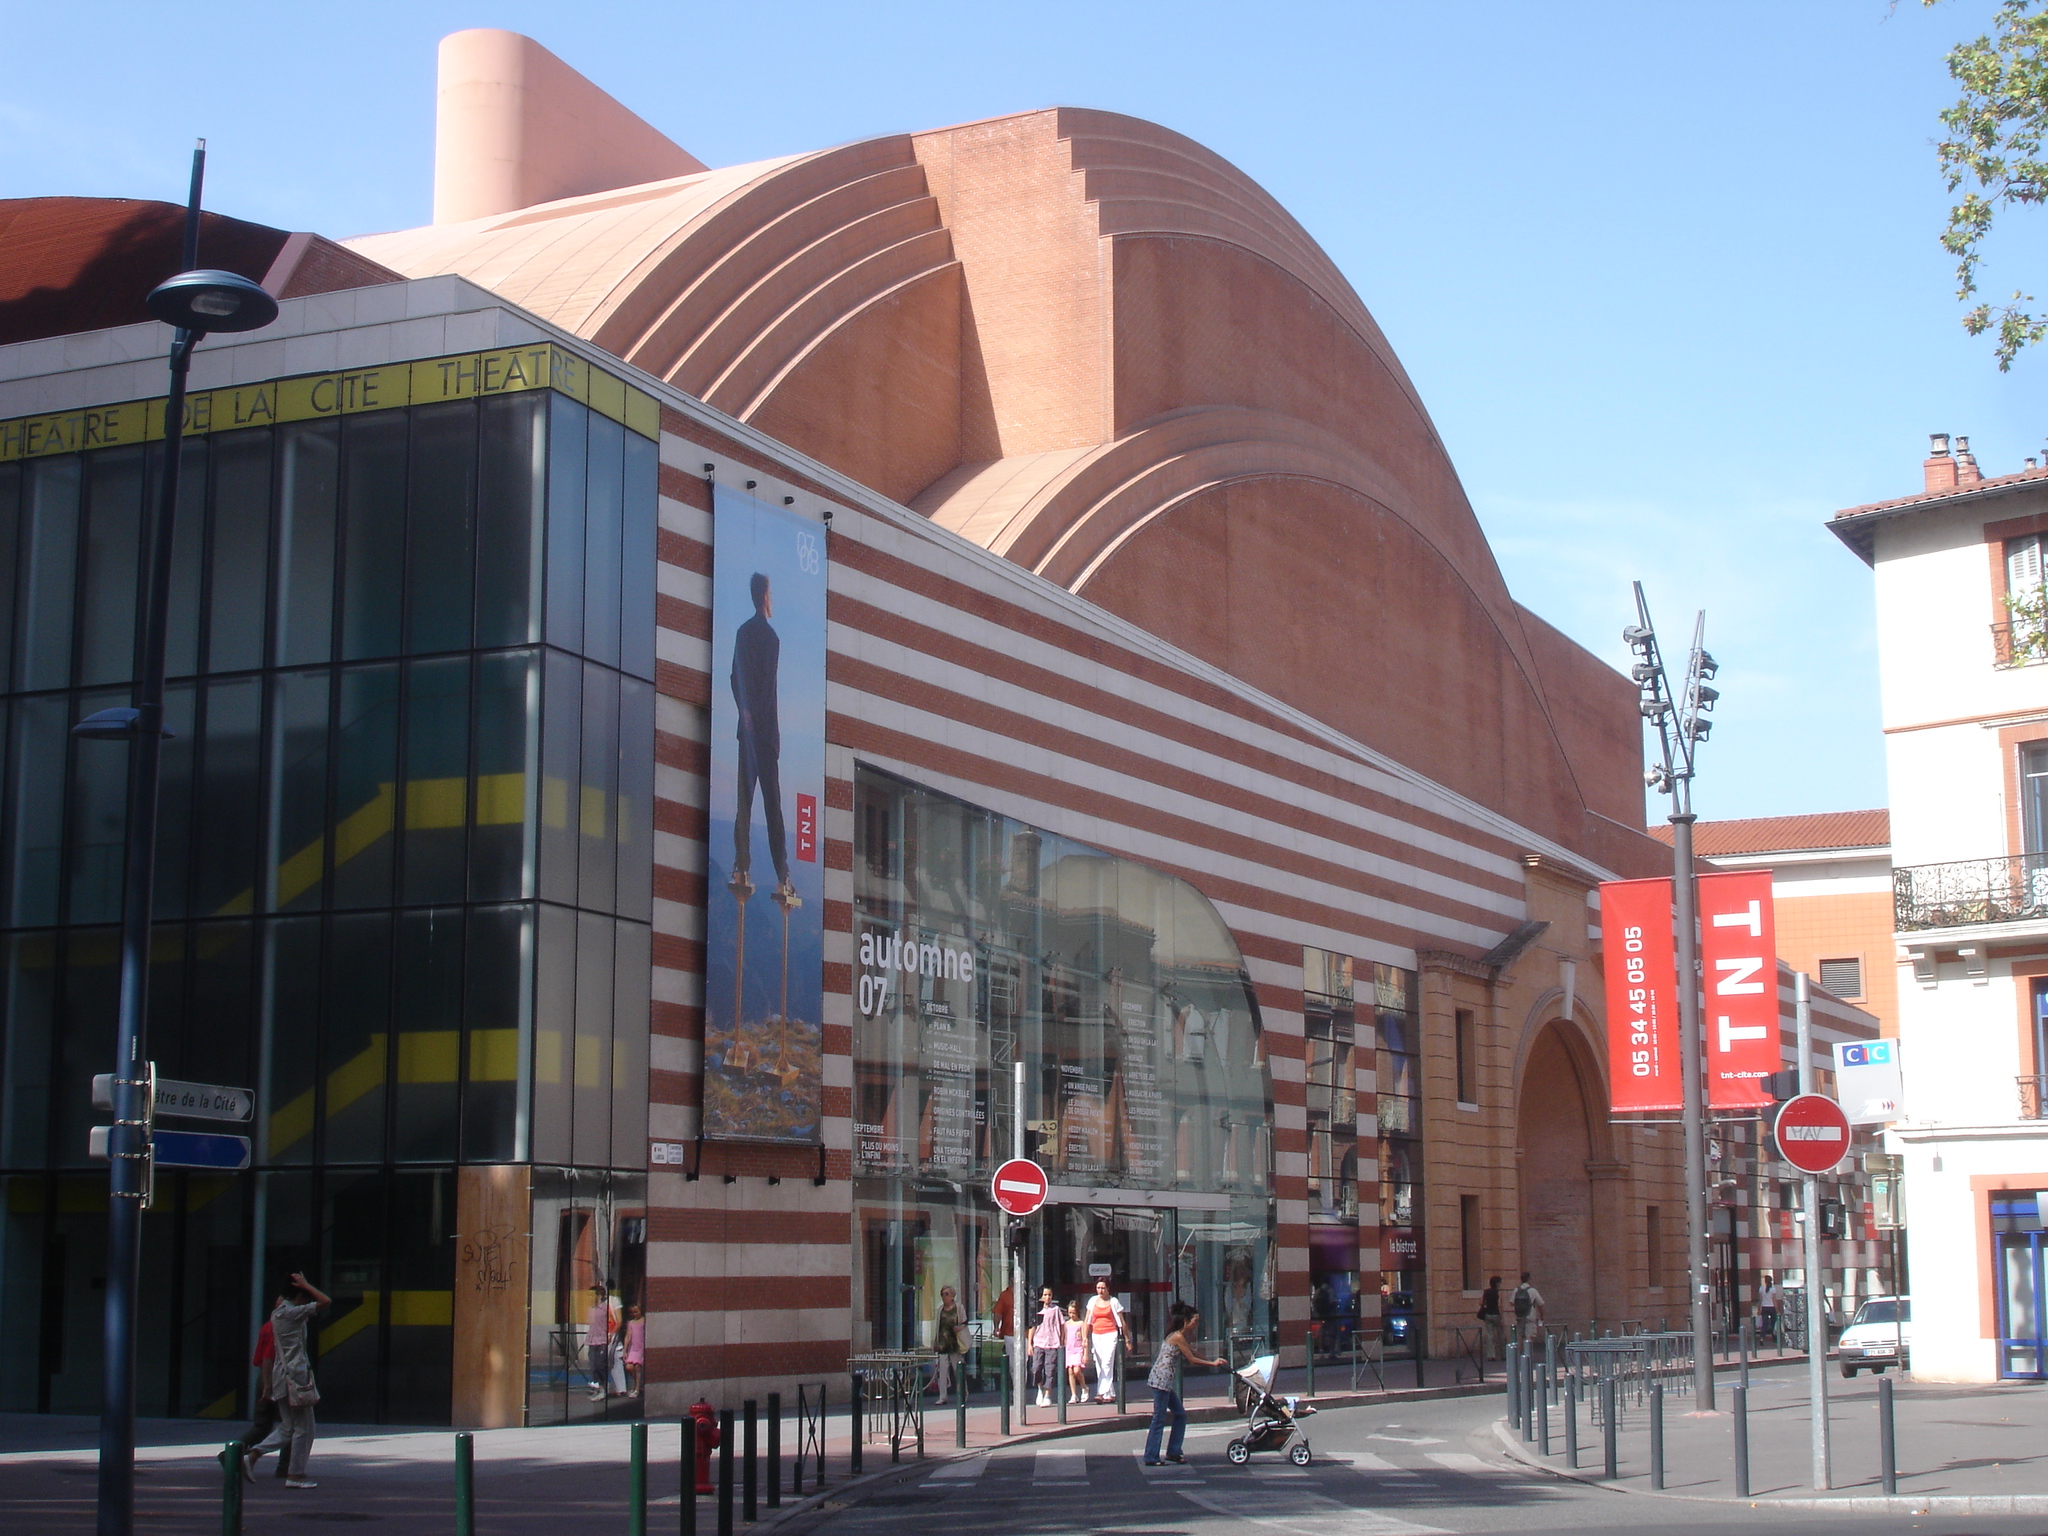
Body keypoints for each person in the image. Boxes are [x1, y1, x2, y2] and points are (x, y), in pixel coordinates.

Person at [730, 572, 795, 903]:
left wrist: (745, 715)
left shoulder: (743, 632)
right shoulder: (769, 638)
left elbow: (735, 678)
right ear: (765, 597)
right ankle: (782, 874)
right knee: (773, 806)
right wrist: (768, 730)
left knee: (745, 801)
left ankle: (741, 866)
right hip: (765, 736)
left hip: (749, 733)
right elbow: (767, 688)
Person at [267, 1272, 331, 1490]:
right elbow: (325, 1301)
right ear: (298, 1295)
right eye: (304, 1295)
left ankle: (251, 1455)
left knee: (288, 1427)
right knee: (303, 1429)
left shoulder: (280, 1312)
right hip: (294, 1377)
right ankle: (294, 1474)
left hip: (282, 1376)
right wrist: (306, 1284)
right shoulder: (292, 1313)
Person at [1143, 1302, 1226, 1466]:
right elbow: (1191, 1359)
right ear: (1186, 1321)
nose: (1196, 1324)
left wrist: (1212, 1359)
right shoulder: (1177, 1337)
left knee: (1180, 1414)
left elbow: (1193, 1351)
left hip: (1164, 1382)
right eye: (1195, 1321)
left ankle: (1174, 1452)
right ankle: (1151, 1456)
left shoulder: (1179, 1336)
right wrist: (1212, 1364)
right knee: (1158, 1419)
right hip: (1161, 1381)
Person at [223, 1316, 279, 1483]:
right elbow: (269, 1356)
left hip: (263, 1375)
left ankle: (230, 1455)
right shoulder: (279, 1327)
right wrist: (268, 1387)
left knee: (262, 1425)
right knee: (290, 1425)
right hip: (274, 1375)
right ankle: (286, 1468)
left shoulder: (267, 1326)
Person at [1083, 1278, 1130, 1402]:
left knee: (1107, 1362)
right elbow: (1087, 1320)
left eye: (1103, 1288)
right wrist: (1084, 1337)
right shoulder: (1092, 1301)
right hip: (1096, 1334)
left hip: (1110, 1334)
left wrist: (1127, 1338)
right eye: (1098, 1288)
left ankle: (1101, 1392)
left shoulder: (1114, 1301)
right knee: (1099, 1365)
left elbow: (1122, 1321)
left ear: (1108, 1289)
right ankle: (1110, 1394)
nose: (1100, 1290)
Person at [1029, 1286, 1066, 1407]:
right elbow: (1032, 1326)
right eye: (1045, 1295)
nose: (1047, 1297)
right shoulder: (1037, 1309)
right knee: (1036, 1368)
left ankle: (1048, 1395)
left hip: (1052, 1342)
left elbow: (1061, 1325)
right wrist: (1029, 1343)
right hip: (1039, 1342)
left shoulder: (1055, 1309)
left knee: (1050, 1369)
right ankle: (1040, 1388)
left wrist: (1061, 1341)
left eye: (1049, 1295)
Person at [930, 1286, 966, 1404]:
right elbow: (938, 1327)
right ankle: (942, 1396)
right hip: (943, 1343)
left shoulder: (958, 1308)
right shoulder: (940, 1310)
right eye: (942, 1294)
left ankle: (962, 1392)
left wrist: (959, 1327)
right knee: (943, 1370)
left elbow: (964, 1322)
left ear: (952, 1296)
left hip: (955, 1343)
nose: (944, 1297)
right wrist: (935, 1341)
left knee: (957, 1369)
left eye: (946, 1294)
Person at [586, 1284, 620, 1401]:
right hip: (592, 1340)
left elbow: (613, 1322)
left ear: (599, 1296)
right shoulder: (590, 1308)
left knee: (600, 1365)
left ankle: (603, 1388)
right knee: (593, 1366)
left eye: (592, 1295)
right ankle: (598, 1388)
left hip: (602, 1340)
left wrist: (610, 1334)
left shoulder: (605, 1308)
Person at [1511, 1272, 1545, 1346]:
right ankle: (1528, 1353)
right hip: (1530, 1315)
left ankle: (1520, 1353)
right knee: (1529, 1336)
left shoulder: (1516, 1290)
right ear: (1529, 1279)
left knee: (1520, 1336)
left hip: (1519, 1315)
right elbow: (1540, 1304)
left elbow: (1511, 1302)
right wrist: (1541, 1316)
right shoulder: (1533, 1291)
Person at [1477, 1275, 1504, 1361]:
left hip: (1487, 1315)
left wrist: (1486, 1306)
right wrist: (1502, 1317)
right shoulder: (1498, 1292)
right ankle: (1503, 1354)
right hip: (1496, 1315)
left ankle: (1491, 1355)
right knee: (1500, 1335)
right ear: (1497, 1283)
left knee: (1490, 1335)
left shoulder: (1486, 1292)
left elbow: (1480, 1302)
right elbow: (1500, 1306)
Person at [623, 1304, 646, 1396]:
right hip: (633, 1347)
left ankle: (636, 1389)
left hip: (641, 1346)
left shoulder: (644, 1321)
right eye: (633, 1312)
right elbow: (628, 1336)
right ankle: (637, 1382)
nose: (635, 1314)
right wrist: (625, 1350)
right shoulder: (631, 1323)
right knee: (629, 1367)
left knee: (637, 1367)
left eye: (636, 1312)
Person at [1757, 1275, 1780, 1343]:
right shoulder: (1773, 1289)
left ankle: (1762, 1337)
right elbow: (1774, 1300)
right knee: (1773, 1323)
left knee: (1764, 1324)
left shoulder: (1761, 1288)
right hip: (1772, 1307)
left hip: (1764, 1307)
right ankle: (1774, 1338)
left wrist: (1759, 1309)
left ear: (1765, 1281)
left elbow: (1760, 1300)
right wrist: (1777, 1310)